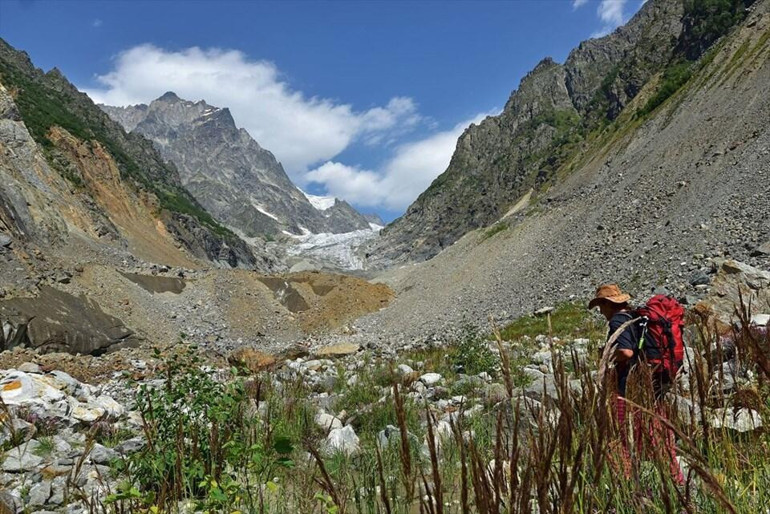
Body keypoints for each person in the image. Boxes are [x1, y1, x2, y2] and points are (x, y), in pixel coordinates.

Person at [589, 283, 685, 485]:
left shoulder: (618, 321)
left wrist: (606, 354)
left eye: (600, 306)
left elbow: (626, 352)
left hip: (629, 388)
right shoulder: (639, 318)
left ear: (608, 304)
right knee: (658, 430)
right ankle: (676, 478)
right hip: (653, 383)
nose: (600, 311)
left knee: (621, 434)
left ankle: (626, 483)